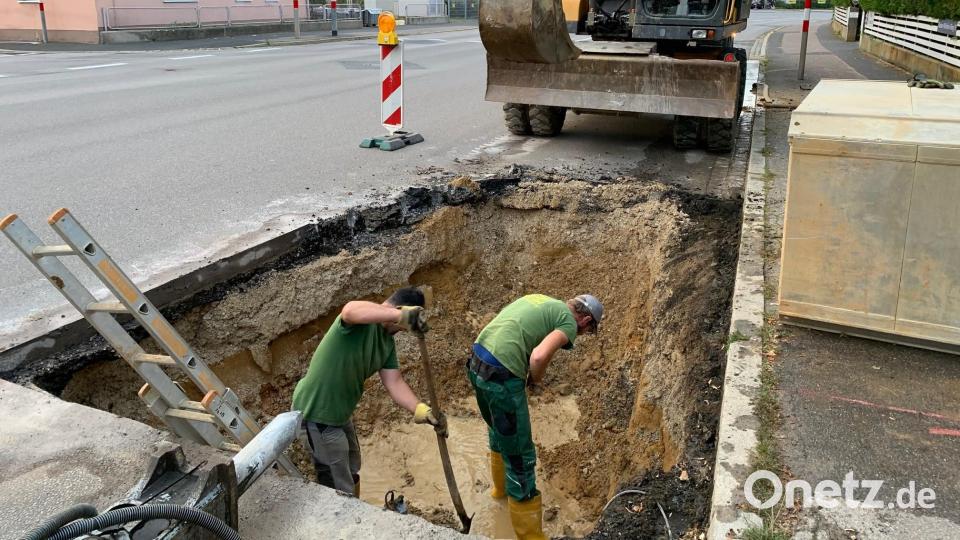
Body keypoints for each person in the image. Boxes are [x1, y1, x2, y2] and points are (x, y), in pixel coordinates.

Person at [467, 293, 603, 540]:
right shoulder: (568, 322)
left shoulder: (541, 300)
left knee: (498, 431)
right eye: (587, 331)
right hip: (502, 374)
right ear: (585, 321)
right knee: (520, 455)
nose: (581, 335)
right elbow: (539, 356)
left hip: (477, 360)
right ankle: (530, 536)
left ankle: (499, 493)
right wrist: (534, 380)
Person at [291, 287, 446, 496]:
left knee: (352, 467)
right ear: (399, 311)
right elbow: (349, 311)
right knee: (337, 485)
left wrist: (421, 410)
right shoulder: (361, 323)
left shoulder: (386, 344)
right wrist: (400, 315)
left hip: (340, 415)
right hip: (317, 413)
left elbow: (395, 382)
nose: (403, 329)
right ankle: (343, 522)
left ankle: (356, 511)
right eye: (403, 324)